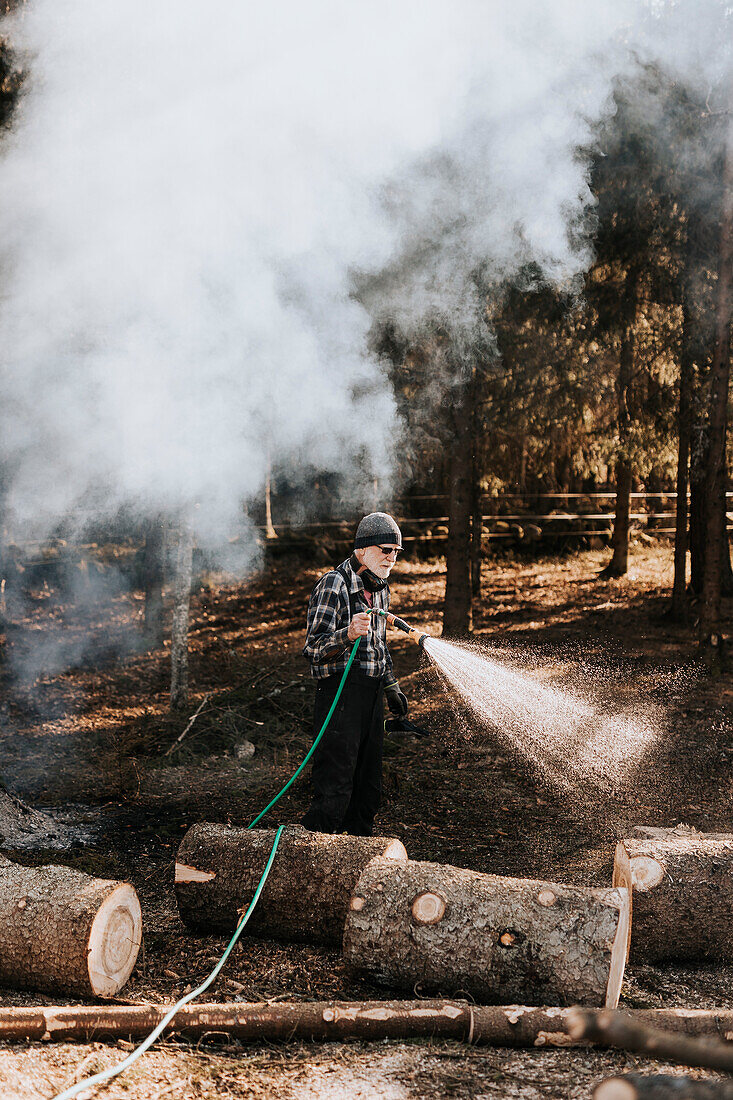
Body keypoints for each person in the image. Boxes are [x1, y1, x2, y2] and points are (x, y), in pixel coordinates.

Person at [300, 512, 408, 836]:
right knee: (335, 788)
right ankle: (312, 857)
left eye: (396, 552)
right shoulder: (334, 583)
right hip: (339, 695)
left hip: (370, 695)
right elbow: (313, 648)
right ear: (361, 550)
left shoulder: (381, 589)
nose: (391, 558)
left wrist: (391, 687)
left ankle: (356, 864)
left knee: (368, 789)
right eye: (384, 549)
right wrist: (346, 634)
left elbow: (378, 646)